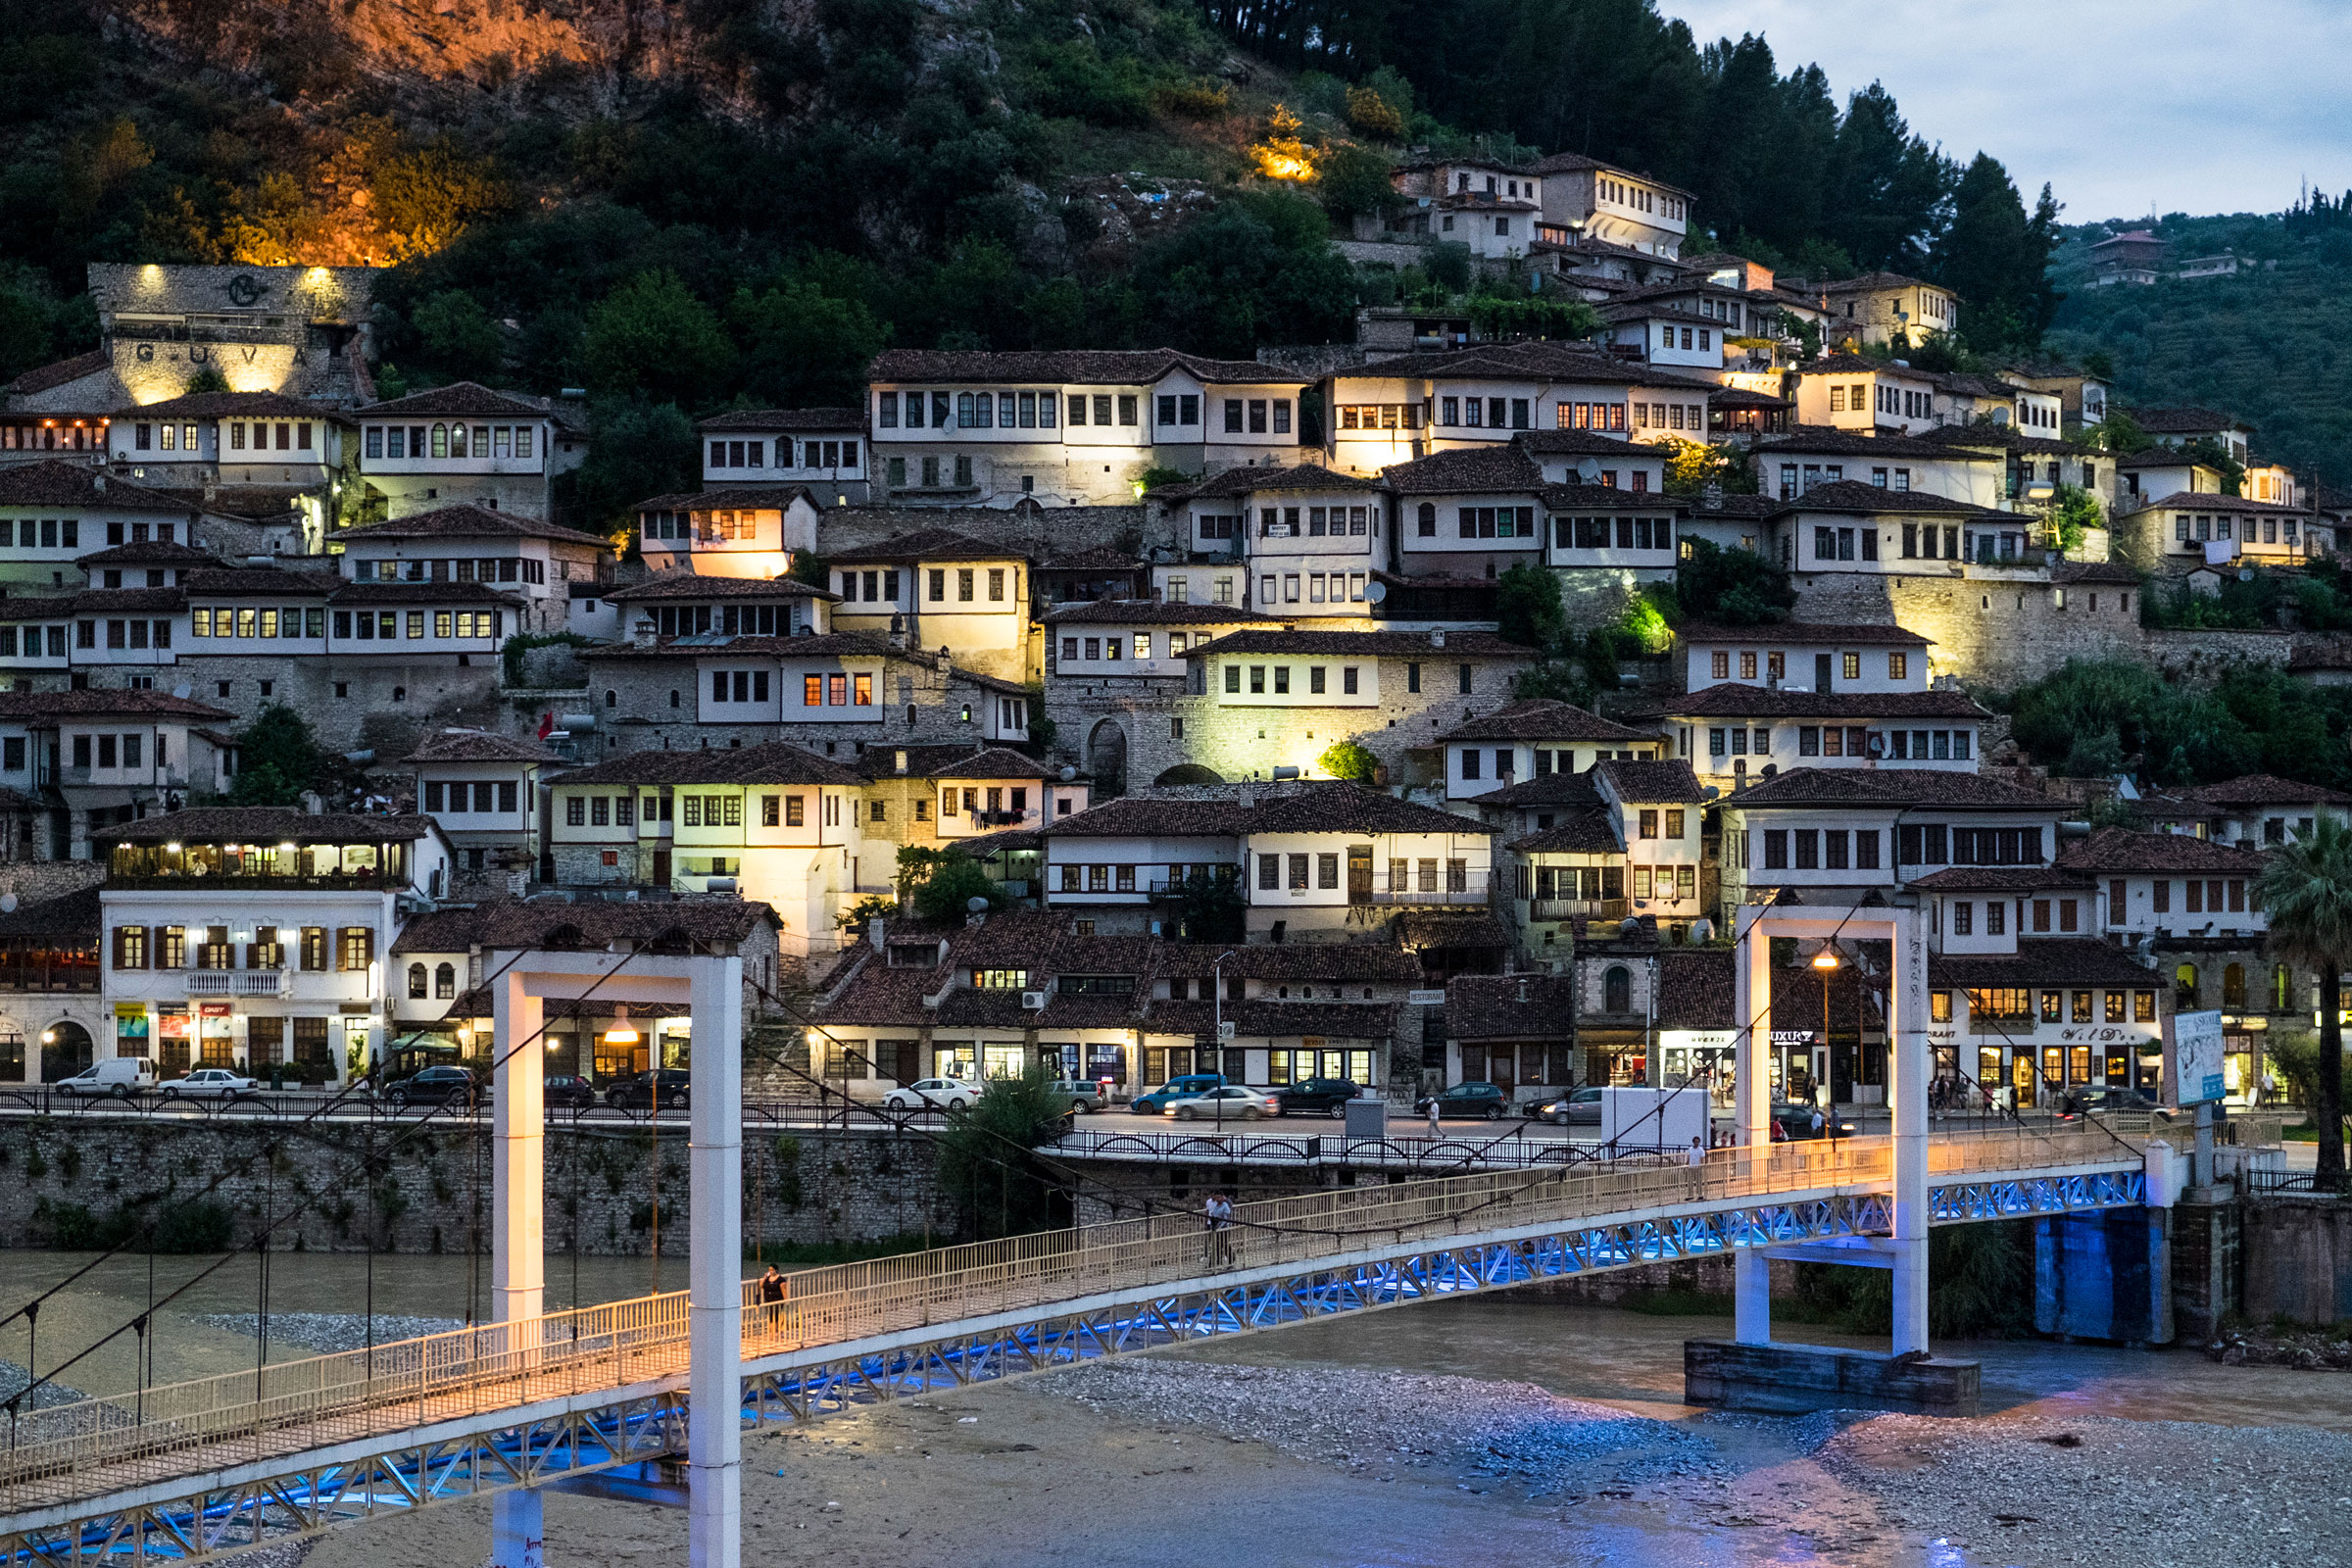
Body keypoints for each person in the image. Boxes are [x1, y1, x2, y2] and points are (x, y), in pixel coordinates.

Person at [1202, 1193, 1235, 1267]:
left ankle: (1230, 1261)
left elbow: (1225, 1219)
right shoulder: (1216, 1206)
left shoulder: (1225, 1206)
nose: (1217, 1199)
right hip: (1216, 1228)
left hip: (1224, 1229)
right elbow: (1212, 1214)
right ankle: (1213, 1263)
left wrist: (1219, 1227)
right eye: (1216, 1198)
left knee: (1225, 1245)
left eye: (1218, 1197)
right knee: (1216, 1246)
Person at [756, 1264, 787, 1337]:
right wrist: (764, 1278)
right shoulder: (767, 1278)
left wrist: (786, 1301)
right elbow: (761, 1286)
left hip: (777, 1299)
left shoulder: (781, 1279)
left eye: (772, 1270)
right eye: (769, 1270)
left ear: (776, 1270)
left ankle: (774, 1332)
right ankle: (771, 1332)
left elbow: (784, 1290)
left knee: (775, 1316)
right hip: (768, 1300)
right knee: (770, 1316)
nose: (771, 1271)